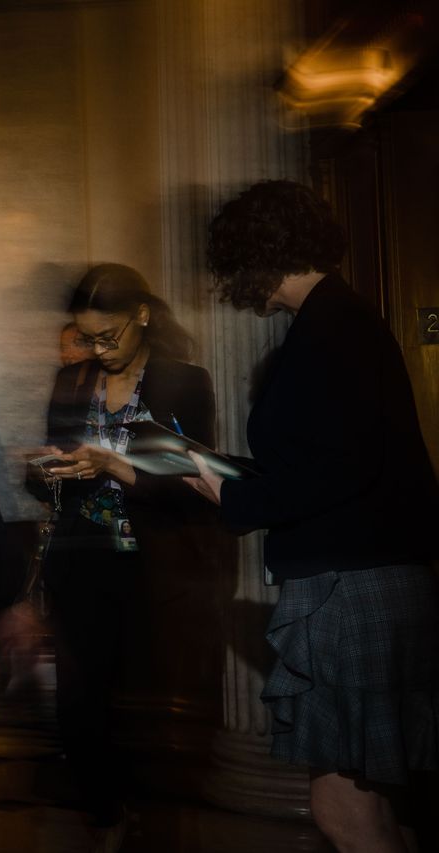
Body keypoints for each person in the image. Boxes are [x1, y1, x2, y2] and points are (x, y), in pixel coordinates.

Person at [187, 179, 439, 853]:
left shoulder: (333, 327)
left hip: (350, 589)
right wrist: (220, 469)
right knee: (380, 809)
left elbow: (340, 470)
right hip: (369, 580)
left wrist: (231, 496)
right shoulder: (339, 319)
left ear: (258, 251)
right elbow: (326, 458)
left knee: (343, 809)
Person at [25, 263, 217, 849]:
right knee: (79, 710)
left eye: (109, 336)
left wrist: (116, 466)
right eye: (88, 337)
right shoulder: (72, 382)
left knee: (145, 714)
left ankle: (153, 823)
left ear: (142, 316)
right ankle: (107, 818)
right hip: (79, 564)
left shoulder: (182, 382)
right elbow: (48, 476)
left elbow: (194, 481)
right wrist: (46, 467)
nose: (98, 349)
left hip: (152, 569)